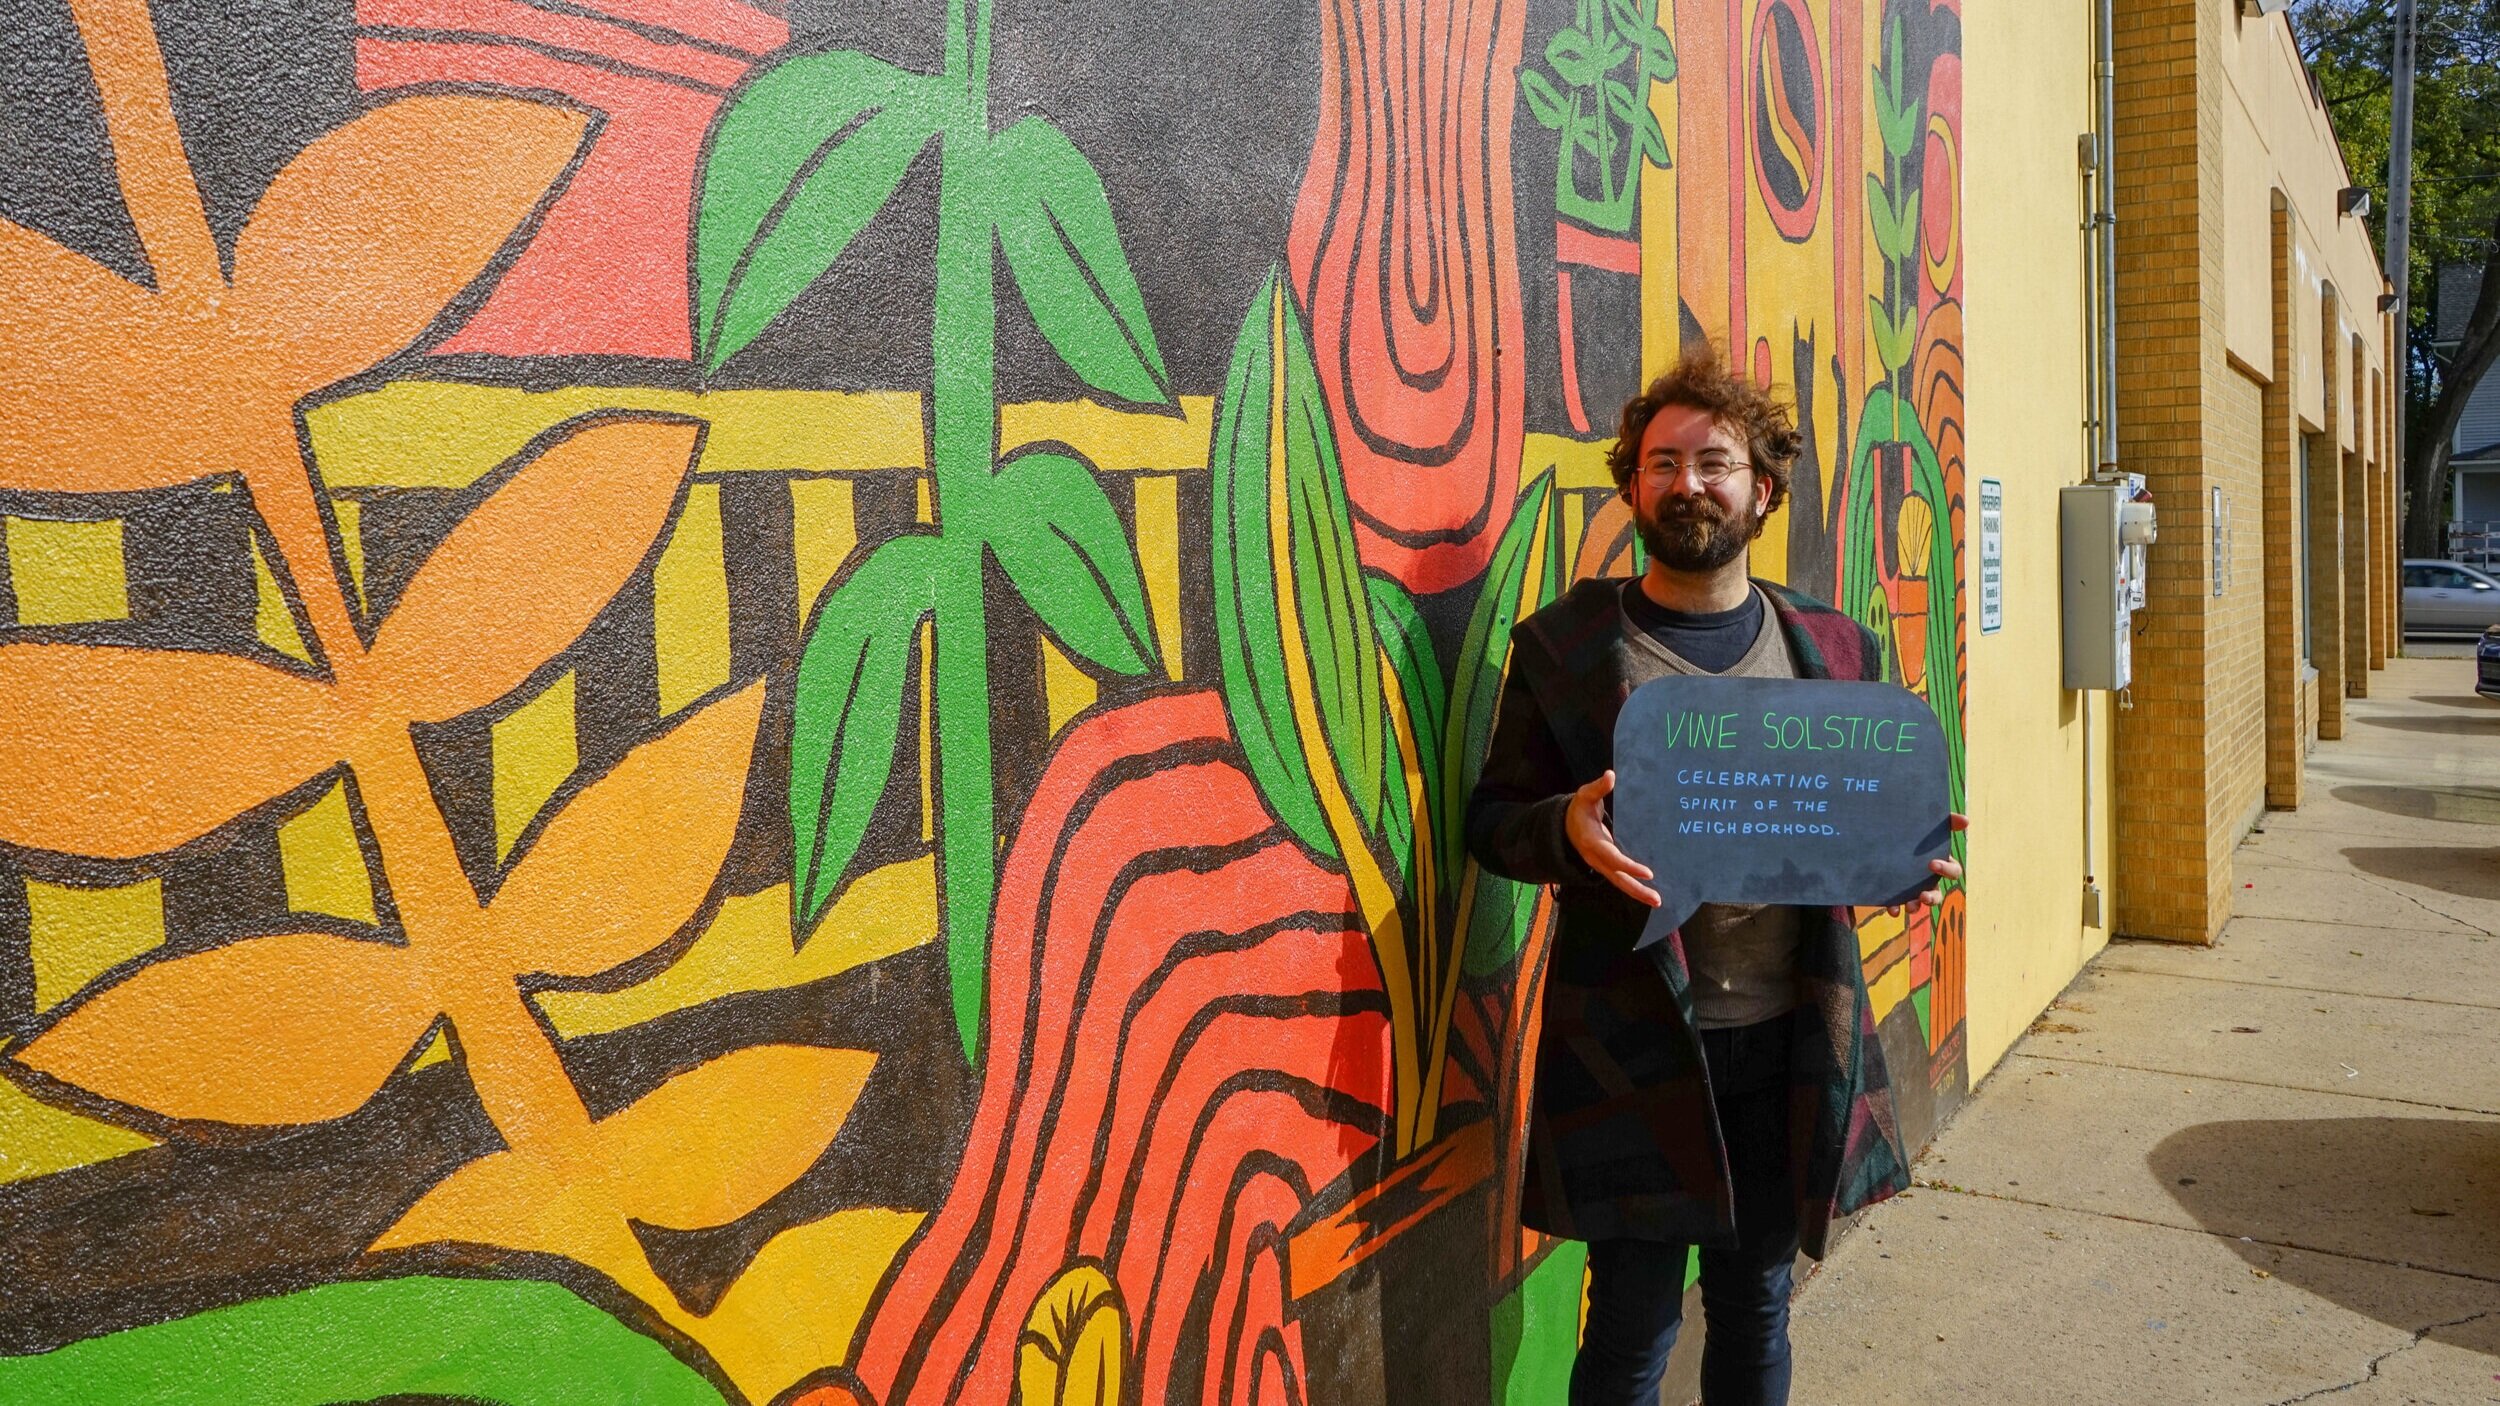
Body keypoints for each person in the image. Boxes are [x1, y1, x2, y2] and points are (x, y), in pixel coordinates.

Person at [1465, 348, 1966, 1406]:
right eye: (1661, 463)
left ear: (1762, 489)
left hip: (1790, 1039)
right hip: (1633, 1049)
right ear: (1631, 486)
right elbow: (1491, 825)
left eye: (1713, 461)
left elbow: (1844, 834)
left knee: (1755, 1307)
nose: (1686, 482)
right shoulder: (1564, 648)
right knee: (1633, 1329)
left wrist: (1900, 863)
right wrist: (1566, 828)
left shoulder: (1833, 648)